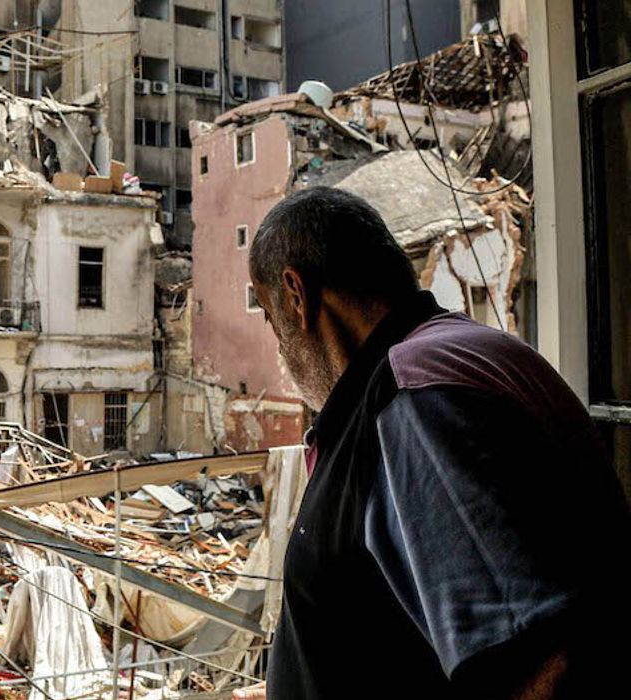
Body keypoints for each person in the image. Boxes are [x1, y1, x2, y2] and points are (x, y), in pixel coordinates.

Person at [231, 187, 629, 700]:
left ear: (296, 294)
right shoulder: (467, 354)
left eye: (269, 318)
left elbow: (543, 663)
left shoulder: (412, 393)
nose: (280, 344)